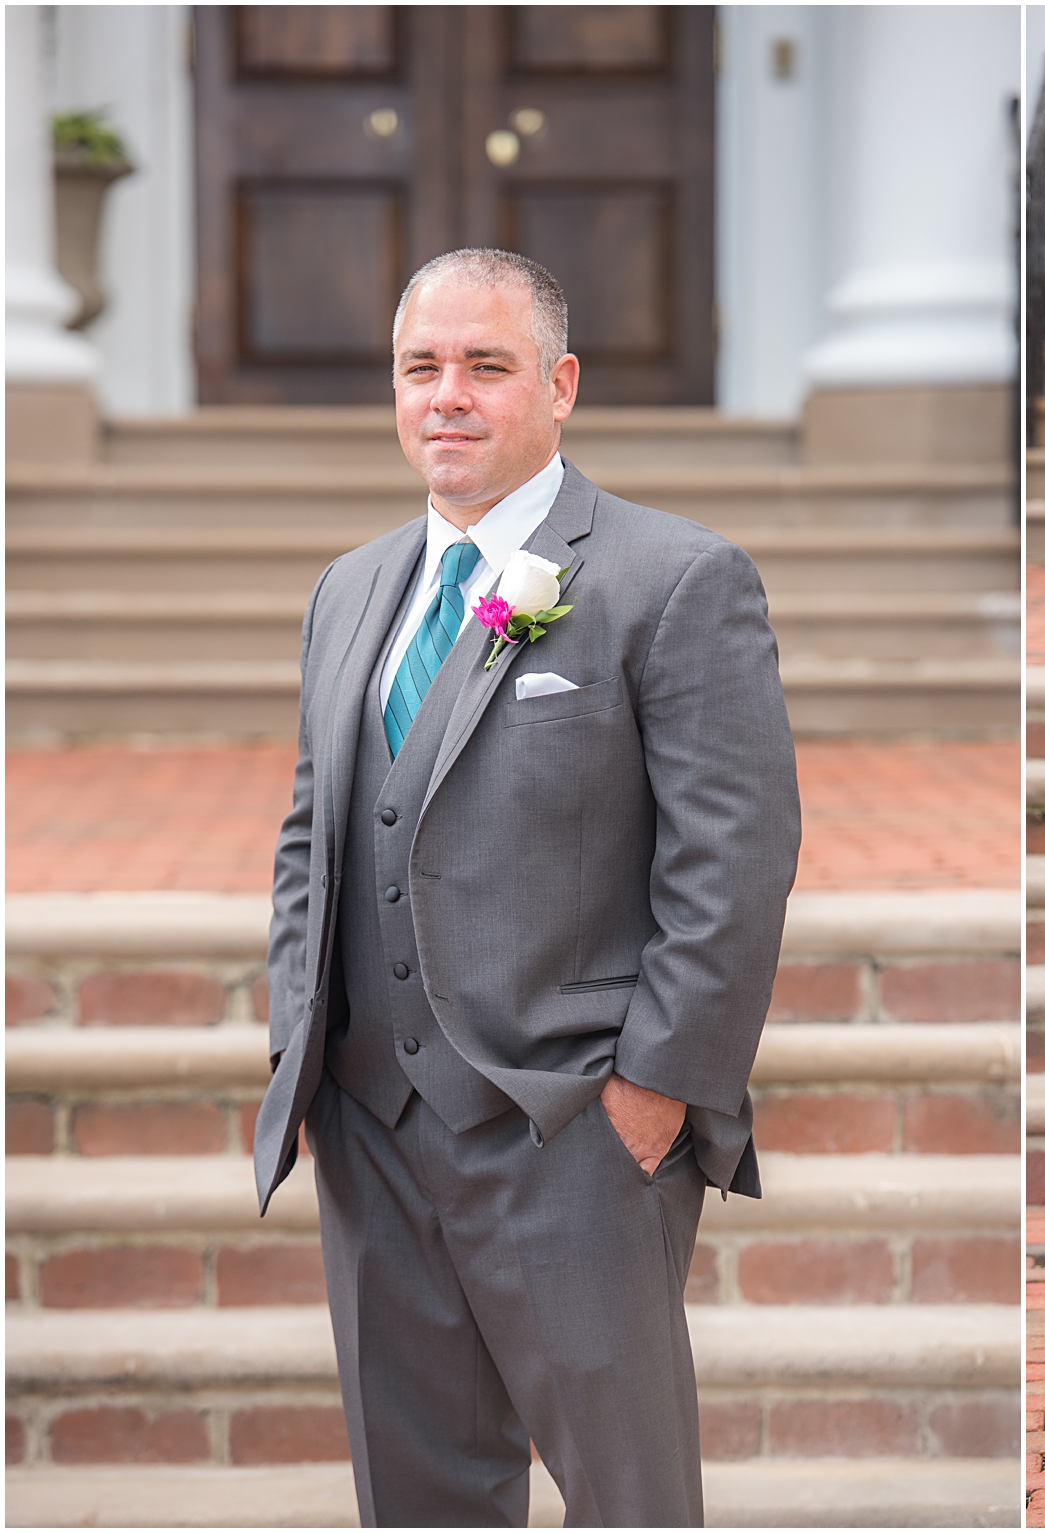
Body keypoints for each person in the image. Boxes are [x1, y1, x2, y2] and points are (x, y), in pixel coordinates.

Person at [252, 248, 801, 1524]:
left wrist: (656, 1095)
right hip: (371, 1128)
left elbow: (733, 859)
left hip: (574, 1131)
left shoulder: (673, 578)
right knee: (421, 1496)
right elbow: (308, 840)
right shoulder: (349, 590)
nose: (447, 394)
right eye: (421, 368)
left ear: (557, 386)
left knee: (628, 1499)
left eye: (484, 366)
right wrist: (306, 1052)